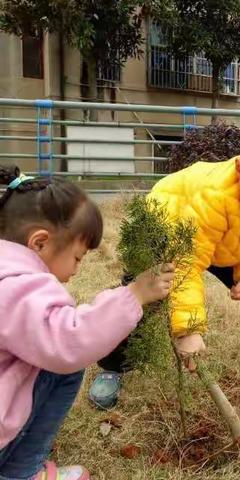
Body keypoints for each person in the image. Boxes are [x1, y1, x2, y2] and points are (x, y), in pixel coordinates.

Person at [89, 118, 240, 410]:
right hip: (169, 226)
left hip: (223, 238)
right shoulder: (216, 197)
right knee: (142, 294)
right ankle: (112, 366)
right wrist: (189, 330)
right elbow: (187, 263)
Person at [0, 166, 175, 480]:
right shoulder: (14, 286)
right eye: (77, 258)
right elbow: (70, 340)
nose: (76, 270)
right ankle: (21, 472)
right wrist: (134, 294)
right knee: (64, 368)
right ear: (39, 243)